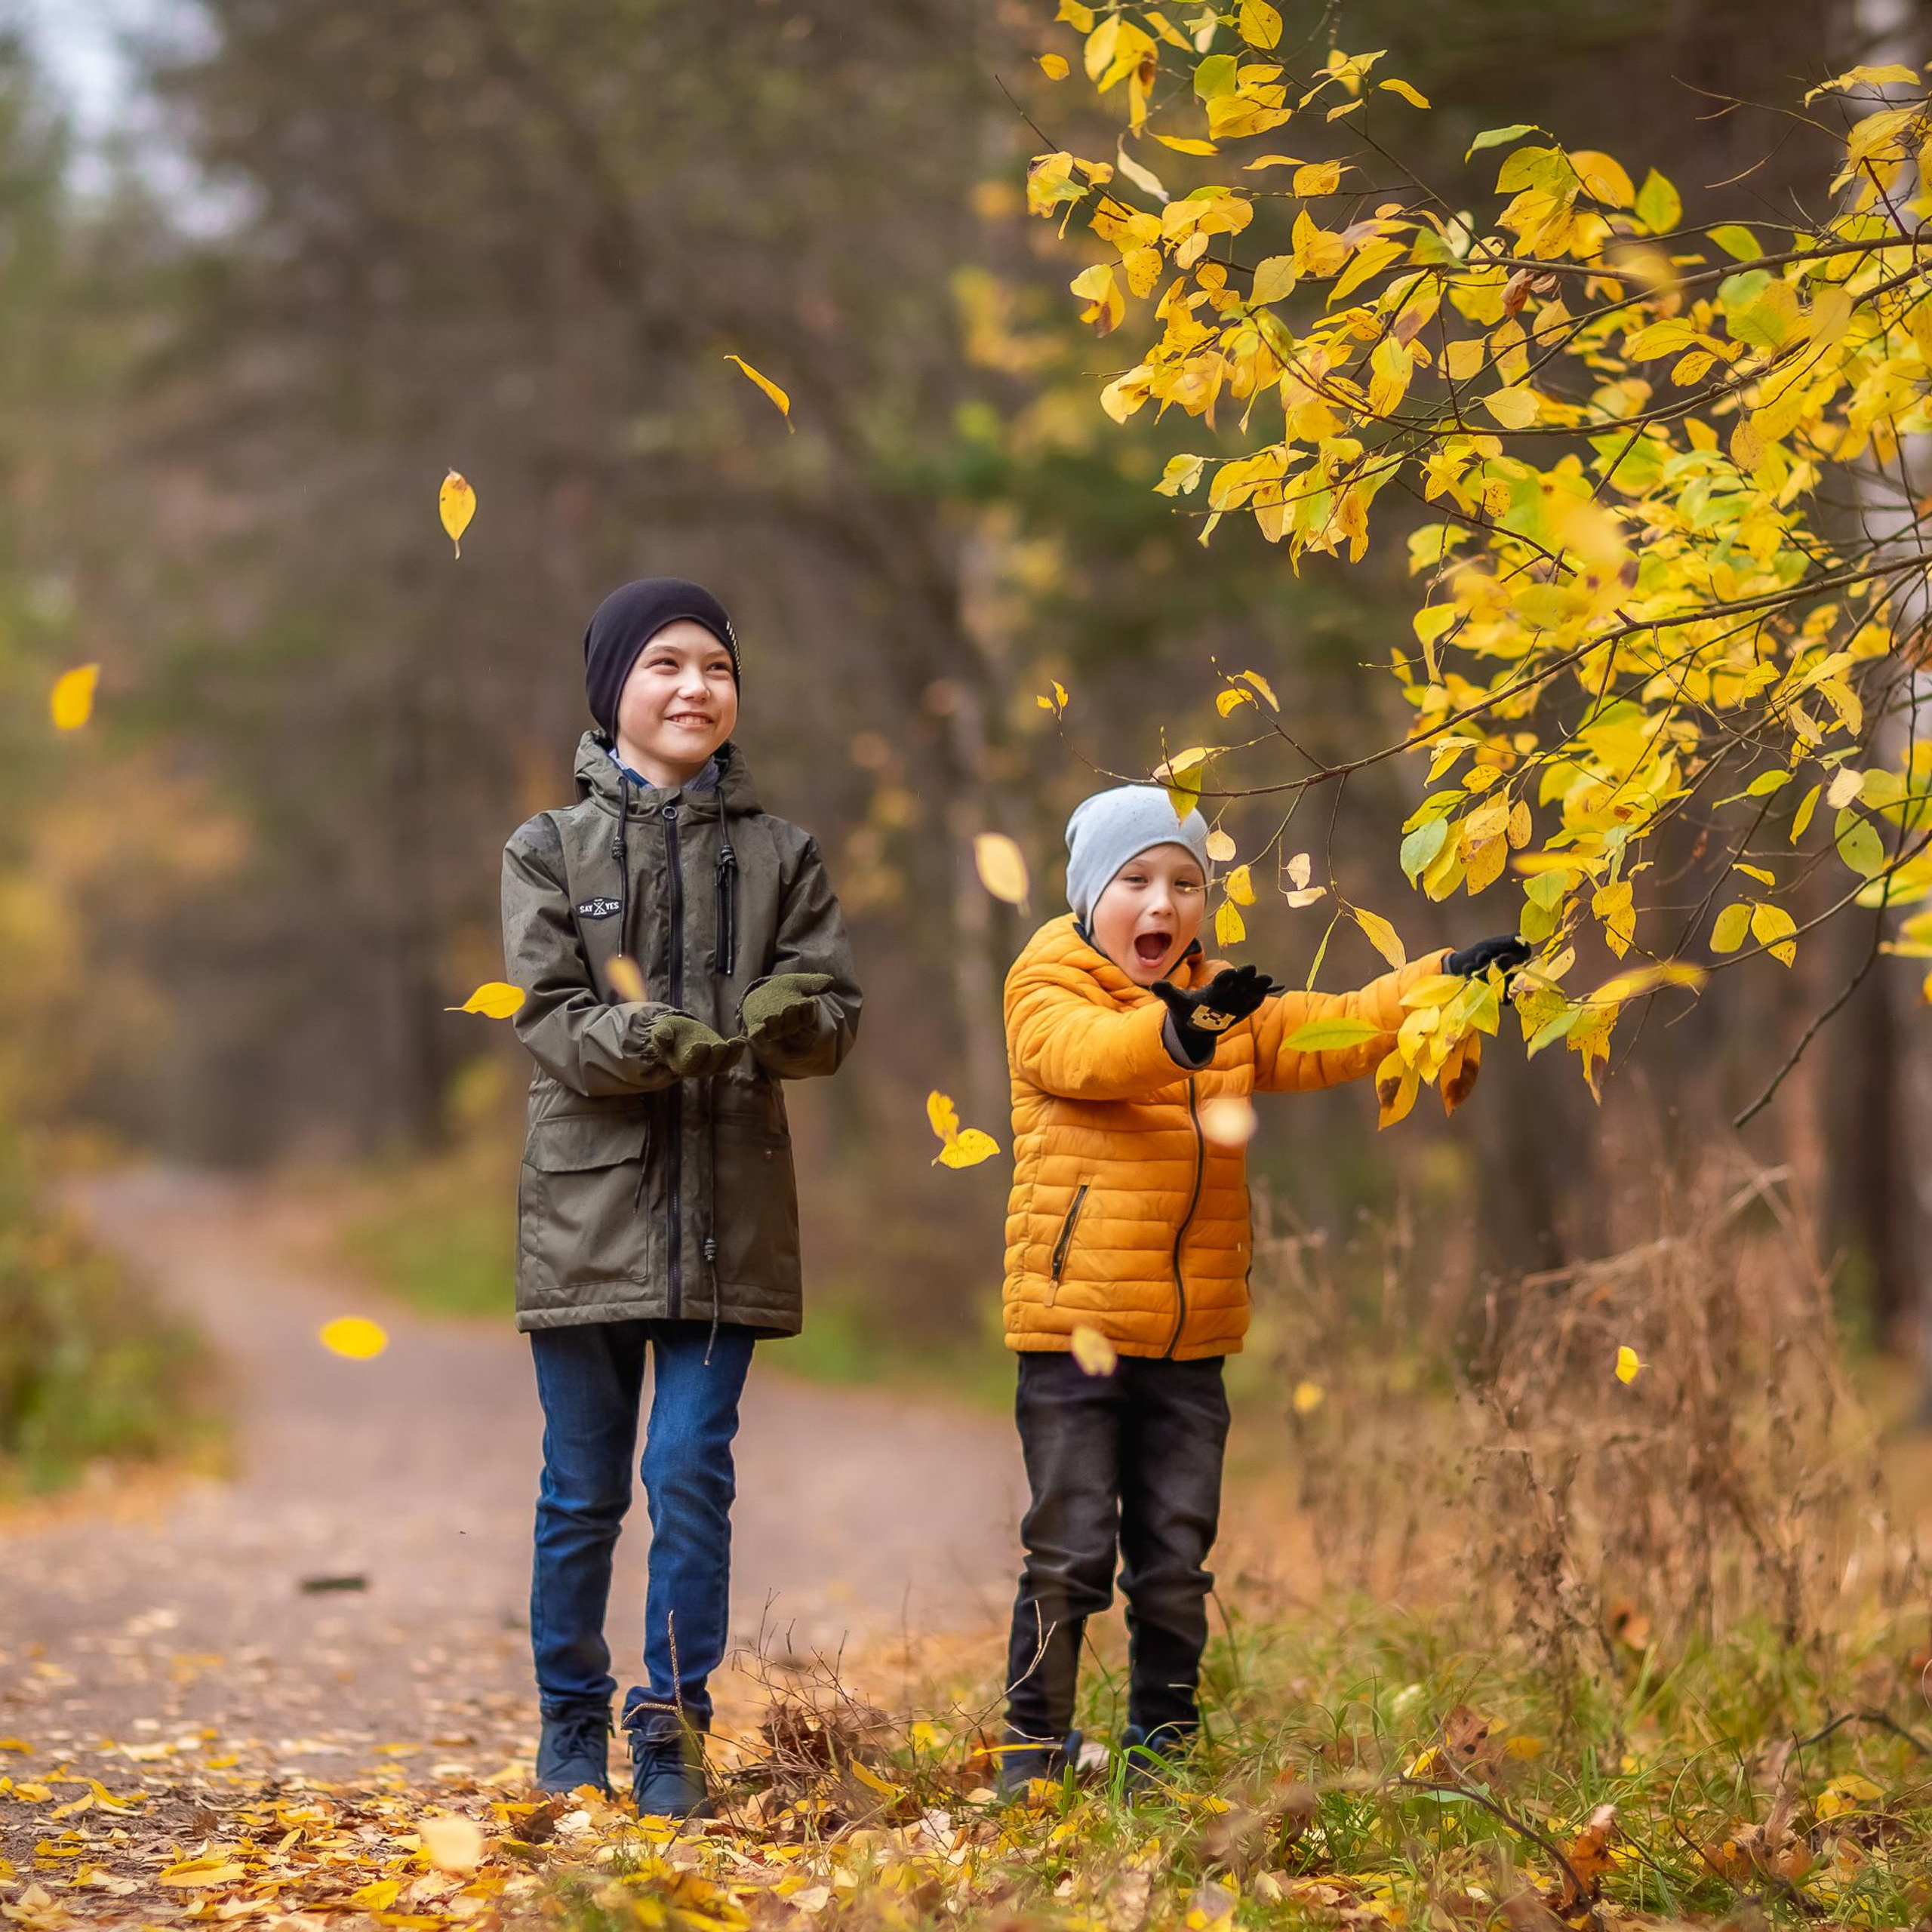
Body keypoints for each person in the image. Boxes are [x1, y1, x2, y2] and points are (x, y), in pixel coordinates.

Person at [996, 783, 1524, 1795]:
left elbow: (1337, 1026)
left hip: (1193, 1343)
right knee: (1068, 1550)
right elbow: (1085, 1059)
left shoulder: (1226, 998)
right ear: (1088, 893)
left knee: (1174, 1564)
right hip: (1078, 1333)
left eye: (1185, 884)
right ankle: (1030, 1754)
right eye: (1136, 881)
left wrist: (1443, 982)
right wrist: (1178, 1037)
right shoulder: (1049, 981)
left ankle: (1162, 1754)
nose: (1162, 905)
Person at [500, 577, 861, 1817]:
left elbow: (833, 1014)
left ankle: (672, 1733)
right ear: (615, 692)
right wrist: (649, 1040)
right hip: (585, 1217)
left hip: (730, 1216)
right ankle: (568, 1730)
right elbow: (549, 1017)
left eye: (715, 665)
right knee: (582, 1488)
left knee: (691, 1470)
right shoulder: (548, 847)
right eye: (665, 664)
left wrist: (794, 1018)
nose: (694, 686)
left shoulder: (784, 854)